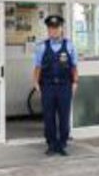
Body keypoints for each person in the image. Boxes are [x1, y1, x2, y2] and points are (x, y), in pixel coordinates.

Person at [33, 14, 79, 156]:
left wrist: (75, 82)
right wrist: (36, 83)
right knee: (49, 116)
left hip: (65, 86)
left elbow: (74, 67)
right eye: (50, 28)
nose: (53, 31)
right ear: (48, 30)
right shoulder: (42, 47)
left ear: (61, 29)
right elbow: (37, 67)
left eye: (56, 28)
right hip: (48, 86)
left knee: (64, 116)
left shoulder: (69, 46)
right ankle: (51, 144)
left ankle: (62, 144)